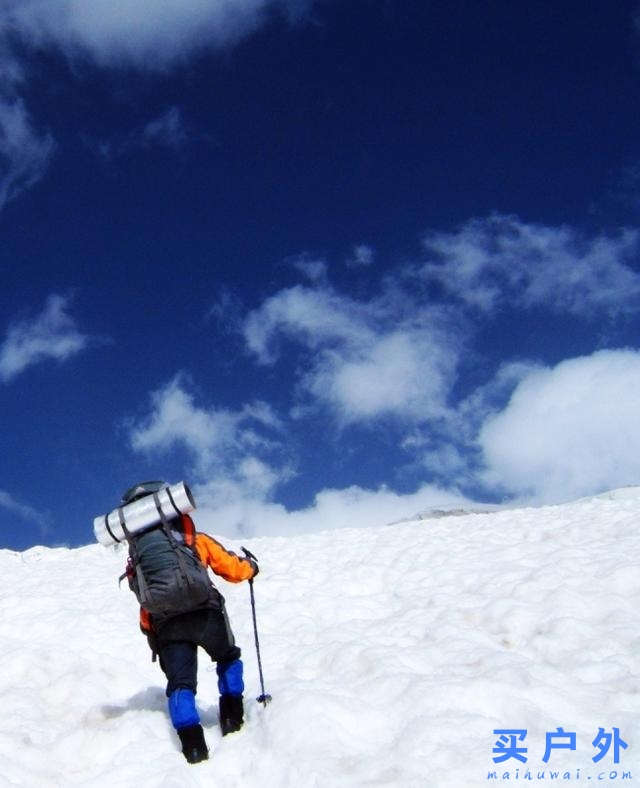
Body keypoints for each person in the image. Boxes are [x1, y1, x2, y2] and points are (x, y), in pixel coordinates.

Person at [119, 480, 258, 764]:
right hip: (206, 614)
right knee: (227, 657)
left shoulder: (139, 558)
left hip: (167, 626)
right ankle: (232, 718)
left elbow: (145, 599)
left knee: (180, 683)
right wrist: (251, 567)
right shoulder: (195, 540)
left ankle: (194, 748)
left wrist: (152, 632)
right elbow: (232, 570)